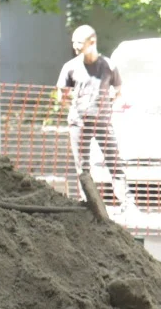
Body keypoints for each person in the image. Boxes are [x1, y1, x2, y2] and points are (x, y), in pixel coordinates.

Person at [56, 24, 135, 210]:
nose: (75, 47)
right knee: (82, 167)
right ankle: (88, 204)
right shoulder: (70, 67)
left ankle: (128, 203)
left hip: (102, 122)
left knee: (114, 162)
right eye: (73, 42)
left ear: (92, 42)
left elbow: (119, 90)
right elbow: (60, 93)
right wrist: (73, 108)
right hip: (78, 123)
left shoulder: (108, 66)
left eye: (79, 43)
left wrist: (109, 105)